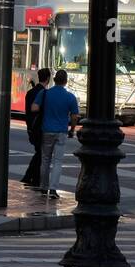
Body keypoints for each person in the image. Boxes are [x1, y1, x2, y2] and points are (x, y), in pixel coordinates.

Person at [37, 69, 80, 198]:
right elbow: (74, 116)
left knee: (45, 159)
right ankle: (53, 189)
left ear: (54, 80)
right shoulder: (70, 97)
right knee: (58, 161)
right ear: (66, 81)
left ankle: (43, 187)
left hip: (47, 129)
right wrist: (72, 130)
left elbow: (34, 107)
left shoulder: (45, 93)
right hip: (61, 131)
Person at [20, 68, 51, 187]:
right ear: (48, 79)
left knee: (39, 152)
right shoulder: (45, 93)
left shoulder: (30, 92)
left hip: (31, 126)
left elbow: (28, 112)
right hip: (41, 127)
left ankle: (32, 177)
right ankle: (30, 177)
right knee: (41, 153)